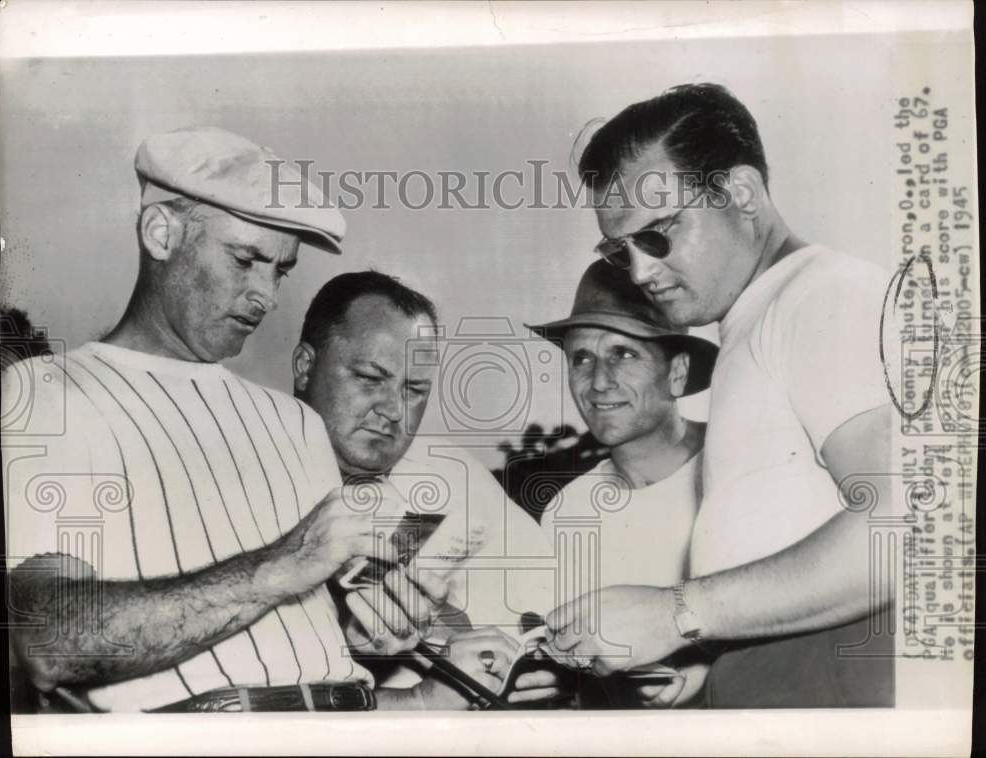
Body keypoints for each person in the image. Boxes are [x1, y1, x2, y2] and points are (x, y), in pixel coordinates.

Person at [2, 126, 518, 713]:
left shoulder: (293, 422)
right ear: (160, 233)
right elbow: (48, 643)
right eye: (246, 260)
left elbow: (330, 643)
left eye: (281, 271)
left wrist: (395, 640)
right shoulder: (47, 390)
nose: (266, 296)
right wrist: (286, 563)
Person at [545, 83, 895, 707]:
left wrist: (676, 613)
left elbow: (910, 522)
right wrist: (713, 661)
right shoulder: (761, 317)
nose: (640, 272)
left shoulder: (819, 296)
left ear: (741, 193)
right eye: (618, 250)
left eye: (656, 234)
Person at [292, 270, 563, 707]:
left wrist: (544, 663)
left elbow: (549, 606)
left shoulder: (447, 473)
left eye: (414, 389)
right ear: (305, 366)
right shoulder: (245, 482)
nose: (394, 410)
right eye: (369, 378)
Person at [526, 260, 718, 707]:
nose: (598, 382)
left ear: (677, 372)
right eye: (582, 359)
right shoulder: (568, 510)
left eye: (623, 354)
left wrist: (703, 670)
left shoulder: (739, 466)